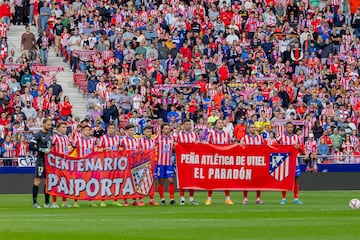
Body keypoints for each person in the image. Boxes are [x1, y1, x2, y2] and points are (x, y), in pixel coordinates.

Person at [205, 119, 233, 205]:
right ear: (215, 125)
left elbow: (229, 146)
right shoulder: (211, 134)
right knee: (212, 179)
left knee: (226, 179)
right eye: (219, 123)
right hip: (214, 159)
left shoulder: (227, 135)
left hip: (224, 159)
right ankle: (209, 198)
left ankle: (228, 199)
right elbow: (207, 146)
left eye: (221, 123)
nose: (220, 124)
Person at [72, 121, 98, 207]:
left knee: (91, 182)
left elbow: (95, 151)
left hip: (90, 164)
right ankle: (76, 201)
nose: (88, 131)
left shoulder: (92, 140)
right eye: (86, 130)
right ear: (82, 131)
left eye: (89, 130)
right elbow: (72, 150)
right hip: (80, 164)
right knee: (78, 182)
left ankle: (90, 200)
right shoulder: (78, 140)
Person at [277, 122, 303, 205]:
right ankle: (283, 198)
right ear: (285, 128)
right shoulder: (281, 137)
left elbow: (301, 148)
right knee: (284, 179)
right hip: (284, 161)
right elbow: (275, 147)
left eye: (291, 127)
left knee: (296, 179)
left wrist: (299, 147)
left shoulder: (296, 137)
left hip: (294, 161)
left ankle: (296, 198)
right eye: (288, 127)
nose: (290, 128)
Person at [97, 123, 122, 207]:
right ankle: (102, 200)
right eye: (110, 128)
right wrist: (104, 149)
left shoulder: (118, 138)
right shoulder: (103, 138)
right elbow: (98, 149)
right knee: (105, 181)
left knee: (115, 182)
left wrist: (120, 149)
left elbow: (121, 148)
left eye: (113, 128)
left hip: (115, 162)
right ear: (107, 129)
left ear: (115, 129)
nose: (111, 129)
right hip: (106, 163)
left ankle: (115, 200)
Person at [175, 119, 200, 205]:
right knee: (182, 179)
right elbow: (175, 147)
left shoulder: (195, 135)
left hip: (192, 160)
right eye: (186, 124)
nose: (188, 126)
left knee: (191, 179)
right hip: (182, 161)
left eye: (189, 124)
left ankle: (191, 198)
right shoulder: (179, 135)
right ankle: (182, 198)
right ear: (183, 125)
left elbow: (198, 146)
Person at [30, 118, 52, 208]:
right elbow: (31, 146)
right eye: (48, 124)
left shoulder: (51, 134)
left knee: (48, 182)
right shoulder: (39, 134)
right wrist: (41, 149)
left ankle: (47, 202)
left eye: (50, 124)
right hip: (41, 161)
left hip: (49, 161)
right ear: (43, 124)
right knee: (38, 181)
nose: (49, 126)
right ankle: (35, 202)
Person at [239, 123, 264, 205]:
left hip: (257, 162)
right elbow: (240, 149)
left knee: (258, 181)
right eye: (251, 127)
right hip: (248, 161)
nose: (253, 129)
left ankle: (258, 198)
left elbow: (264, 149)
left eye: (254, 127)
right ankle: (245, 198)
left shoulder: (260, 138)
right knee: (246, 181)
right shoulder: (244, 138)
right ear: (248, 129)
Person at [120, 124, 143, 206]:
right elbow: (119, 150)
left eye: (133, 130)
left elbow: (139, 149)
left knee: (135, 181)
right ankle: (125, 200)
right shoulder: (123, 140)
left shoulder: (136, 140)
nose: (132, 132)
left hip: (135, 163)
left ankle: (134, 200)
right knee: (126, 181)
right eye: (130, 130)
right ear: (126, 131)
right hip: (126, 163)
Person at [51, 121, 72, 208]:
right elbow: (51, 149)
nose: (65, 129)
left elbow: (66, 150)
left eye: (65, 127)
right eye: (63, 127)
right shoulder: (55, 138)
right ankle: (54, 202)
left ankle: (64, 202)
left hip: (65, 163)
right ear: (58, 128)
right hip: (56, 163)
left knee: (65, 182)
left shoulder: (66, 138)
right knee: (55, 182)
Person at [155, 123, 176, 205]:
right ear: (162, 130)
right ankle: (162, 199)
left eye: (168, 129)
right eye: (166, 129)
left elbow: (175, 147)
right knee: (161, 181)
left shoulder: (172, 138)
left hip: (169, 163)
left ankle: (172, 199)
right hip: (160, 163)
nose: (167, 130)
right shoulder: (157, 138)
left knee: (171, 181)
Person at [138, 125, 159, 205]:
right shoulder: (139, 141)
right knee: (141, 182)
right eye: (147, 131)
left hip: (152, 163)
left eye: (150, 131)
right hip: (142, 163)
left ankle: (151, 199)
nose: (149, 133)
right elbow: (137, 151)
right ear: (144, 132)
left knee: (151, 181)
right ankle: (141, 200)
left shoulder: (153, 141)